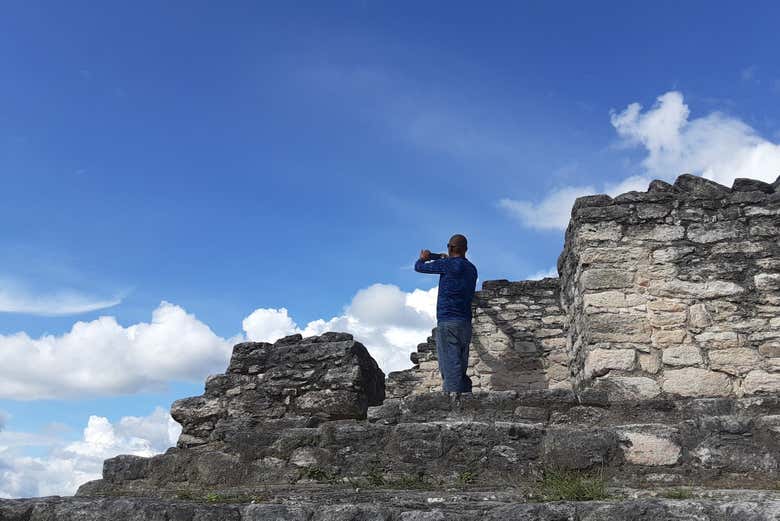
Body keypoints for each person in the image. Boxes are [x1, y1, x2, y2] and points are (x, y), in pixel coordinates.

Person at [414, 234, 478, 395]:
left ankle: (451, 405)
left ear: (450, 248)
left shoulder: (447, 264)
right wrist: (441, 257)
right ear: (466, 249)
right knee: (460, 365)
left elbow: (419, 267)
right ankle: (465, 397)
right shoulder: (472, 269)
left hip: (447, 320)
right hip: (465, 322)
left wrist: (424, 258)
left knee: (450, 366)